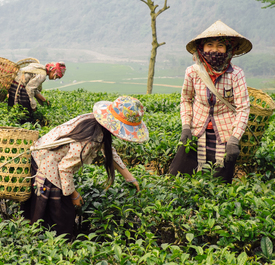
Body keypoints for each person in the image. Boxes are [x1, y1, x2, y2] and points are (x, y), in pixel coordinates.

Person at [21, 95, 148, 237]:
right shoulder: (89, 138)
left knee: (59, 212)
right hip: (47, 166)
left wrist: (129, 177)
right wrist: (74, 195)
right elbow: (65, 167)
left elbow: (109, 151)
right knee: (59, 216)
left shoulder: (95, 123)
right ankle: (50, 246)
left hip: (47, 159)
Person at [169, 20, 252, 183]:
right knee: (179, 177)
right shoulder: (193, 72)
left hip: (224, 136)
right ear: (202, 48)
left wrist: (235, 139)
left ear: (228, 49)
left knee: (219, 184)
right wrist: (186, 127)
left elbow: (243, 108)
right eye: (209, 45)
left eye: (220, 45)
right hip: (196, 132)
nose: (214, 50)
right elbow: (185, 99)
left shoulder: (236, 74)